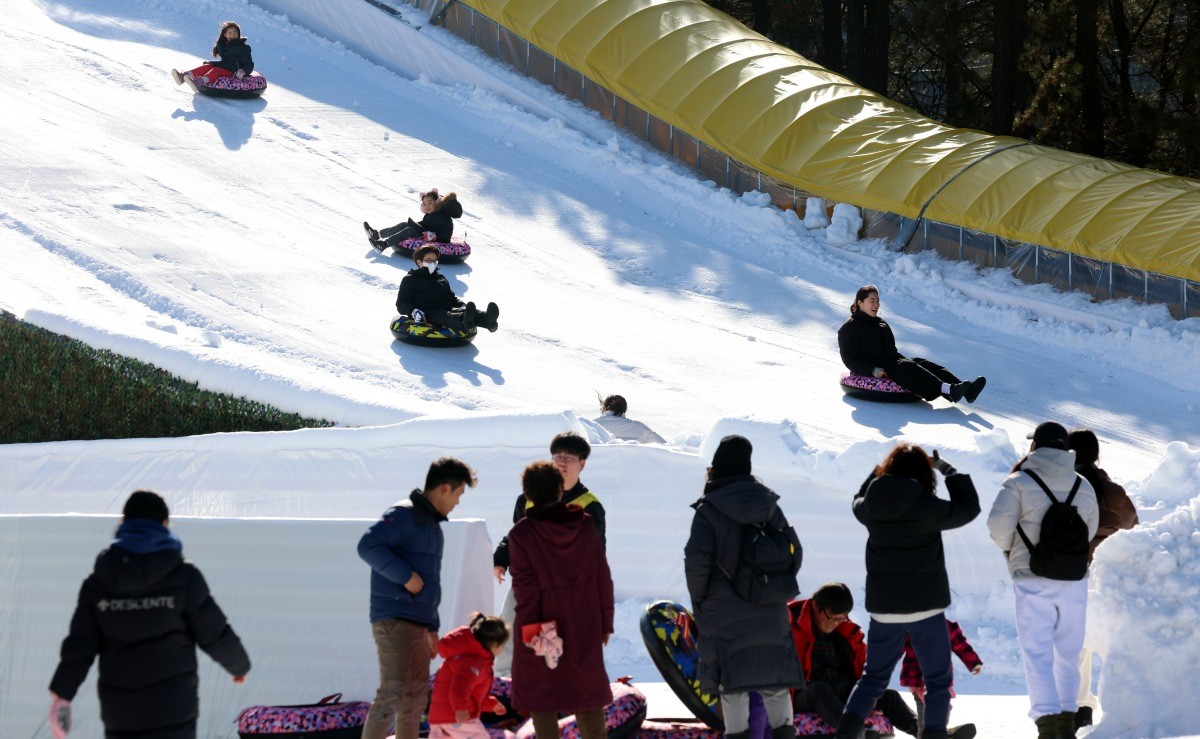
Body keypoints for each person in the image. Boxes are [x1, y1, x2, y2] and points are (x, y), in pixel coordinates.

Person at [48, 490, 250, 739]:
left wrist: (62, 695)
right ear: (165, 524)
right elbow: (215, 633)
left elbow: (80, 646)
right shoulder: (184, 577)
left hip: (121, 713)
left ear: (123, 524)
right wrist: (239, 666)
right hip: (175, 709)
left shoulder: (98, 583)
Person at [833, 444, 980, 739]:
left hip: (885, 608)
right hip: (926, 607)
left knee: (873, 679)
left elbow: (856, 500)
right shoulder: (928, 506)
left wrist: (878, 472)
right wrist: (947, 470)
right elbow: (969, 507)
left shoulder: (871, 507)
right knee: (937, 680)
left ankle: (845, 735)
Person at [684, 435, 804, 739]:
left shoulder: (709, 510)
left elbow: (696, 562)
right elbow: (795, 551)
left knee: (732, 689)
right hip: (770, 611)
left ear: (716, 468)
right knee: (776, 686)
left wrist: (702, 602)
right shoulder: (769, 505)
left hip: (724, 614)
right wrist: (773, 587)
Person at [987, 422, 1100, 739]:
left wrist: (1014, 551)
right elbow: (1088, 532)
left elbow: (998, 527)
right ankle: (1065, 724)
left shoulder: (1018, 482)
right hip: (1073, 581)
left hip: (1031, 578)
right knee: (1068, 653)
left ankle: (1047, 726)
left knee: (1038, 654)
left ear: (1035, 446)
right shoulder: (1083, 486)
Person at [357, 457, 478, 739]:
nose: (458, 503)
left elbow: (430, 584)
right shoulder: (403, 514)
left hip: (418, 624)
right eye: (459, 494)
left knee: (414, 697)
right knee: (393, 691)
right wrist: (404, 576)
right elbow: (367, 546)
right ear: (445, 488)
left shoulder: (432, 526)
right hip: (394, 620)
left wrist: (432, 628)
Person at [508, 460, 614, 739]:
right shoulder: (585, 524)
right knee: (587, 696)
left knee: (542, 700)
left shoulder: (522, 534)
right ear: (559, 490)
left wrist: (532, 633)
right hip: (584, 621)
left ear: (527, 495)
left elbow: (525, 590)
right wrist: (606, 621)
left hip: (543, 625)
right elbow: (602, 576)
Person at [492, 432, 604, 676]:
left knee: (554, 644)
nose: (562, 462)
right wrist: (501, 559)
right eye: (557, 456)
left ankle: (554, 690)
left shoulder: (589, 505)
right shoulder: (528, 498)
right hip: (527, 583)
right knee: (509, 629)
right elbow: (516, 535)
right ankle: (502, 684)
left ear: (582, 464)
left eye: (569, 457)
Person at [787, 583, 925, 737]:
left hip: (841, 692)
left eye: (840, 619)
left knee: (889, 697)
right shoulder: (790, 625)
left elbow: (863, 665)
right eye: (830, 617)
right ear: (816, 606)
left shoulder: (845, 633)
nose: (834, 623)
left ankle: (926, 732)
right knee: (819, 690)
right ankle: (851, 732)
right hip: (805, 695)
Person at [837, 285, 985, 404]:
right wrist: (873, 370)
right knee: (905, 367)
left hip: (891, 361)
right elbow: (850, 358)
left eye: (878, 300)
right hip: (877, 367)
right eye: (872, 301)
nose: (876, 304)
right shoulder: (850, 328)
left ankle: (966, 390)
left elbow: (890, 350)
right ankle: (950, 390)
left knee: (921, 362)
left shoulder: (880, 323)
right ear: (860, 302)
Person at [427, 613, 510, 739]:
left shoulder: (465, 658)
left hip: (440, 717)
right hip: (456, 716)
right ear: (493, 644)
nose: (502, 650)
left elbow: (472, 696)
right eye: (502, 646)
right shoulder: (473, 662)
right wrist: (460, 708)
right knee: (479, 736)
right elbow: (460, 686)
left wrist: (491, 705)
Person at [900, 618, 982, 736]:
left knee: (941, 711)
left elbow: (960, 645)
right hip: (919, 680)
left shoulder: (946, 626)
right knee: (926, 717)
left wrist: (974, 662)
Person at [396, 244, 499, 332]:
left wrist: (462, 305)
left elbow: (451, 298)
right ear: (419, 262)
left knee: (462, 311)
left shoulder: (440, 278)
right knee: (444, 315)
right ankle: (464, 321)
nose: (432, 263)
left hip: (446, 308)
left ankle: (487, 320)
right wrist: (413, 311)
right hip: (427, 312)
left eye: (435, 260)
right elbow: (401, 303)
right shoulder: (410, 280)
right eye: (428, 260)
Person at [365, 189, 463, 252]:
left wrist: (434, 236)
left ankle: (383, 245)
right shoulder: (432, 214)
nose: (427, 206)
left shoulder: (442, 215)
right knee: (404, 224)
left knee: (410, 230)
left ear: (437, 203)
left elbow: (446, 233)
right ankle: (377, 234)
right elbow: (426, 225)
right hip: (426, 232)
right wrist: (415, 224)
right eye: (424, 204)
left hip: (436, 238)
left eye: (430, 203)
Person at [171, 21, 254, 92]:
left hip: (233, 72)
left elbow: (249, 64)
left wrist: (242, 71)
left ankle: (199, 83)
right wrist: (211, 63)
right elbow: (225, 62)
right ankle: (183, 76)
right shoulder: (223, 45)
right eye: (230, 32)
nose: (233, 34)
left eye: (235, 32)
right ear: (225, 34)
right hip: (225, 67)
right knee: (207, 66)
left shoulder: (244, 48)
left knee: (216, 70)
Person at [592, 394, 666, 443]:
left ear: (604, 408)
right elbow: (663, 445)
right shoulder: (640, 427)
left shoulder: (592, 425)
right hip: (632, 466)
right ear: (624, 409)